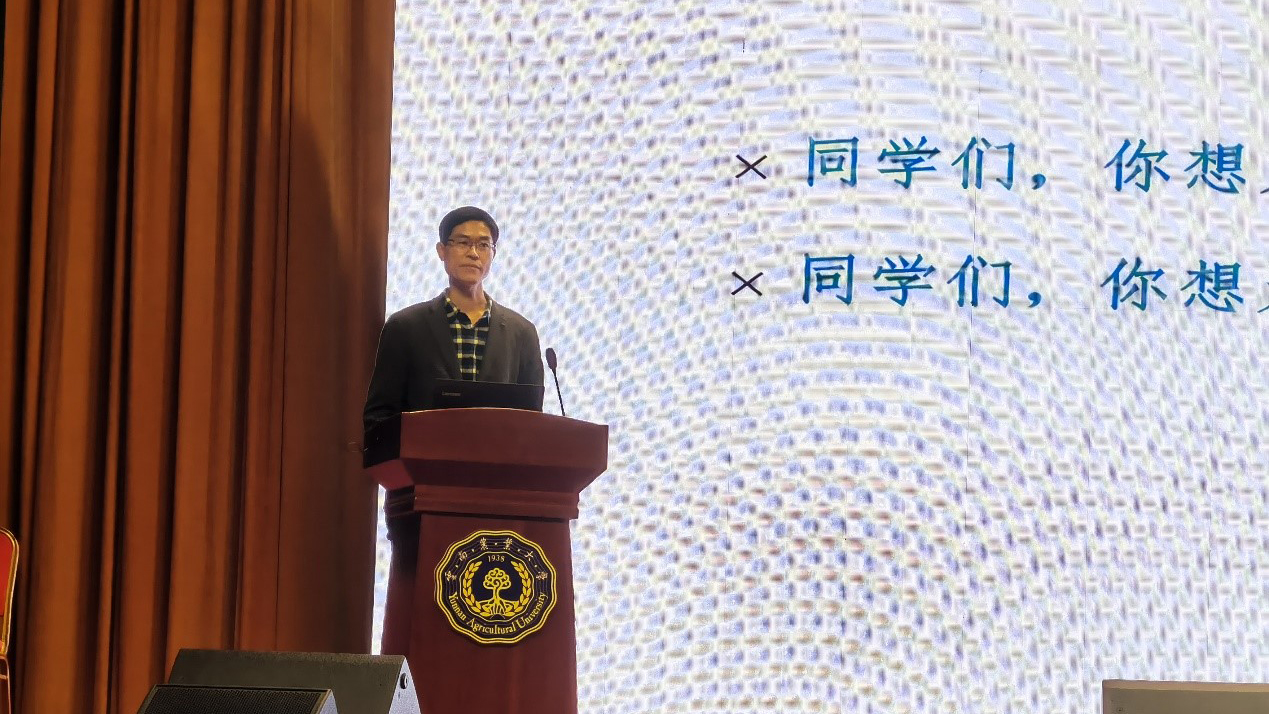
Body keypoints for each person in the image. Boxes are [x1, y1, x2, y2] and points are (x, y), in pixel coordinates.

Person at [362, 205, 544, 433]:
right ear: (442, 251)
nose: (473, 253)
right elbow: (379, 417)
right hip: (426, 455)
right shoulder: (405, 327)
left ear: (493, 254)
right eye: (463, 242)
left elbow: (532, 420)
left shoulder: (522, 332)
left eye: (483, 245)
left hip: (497, 456)